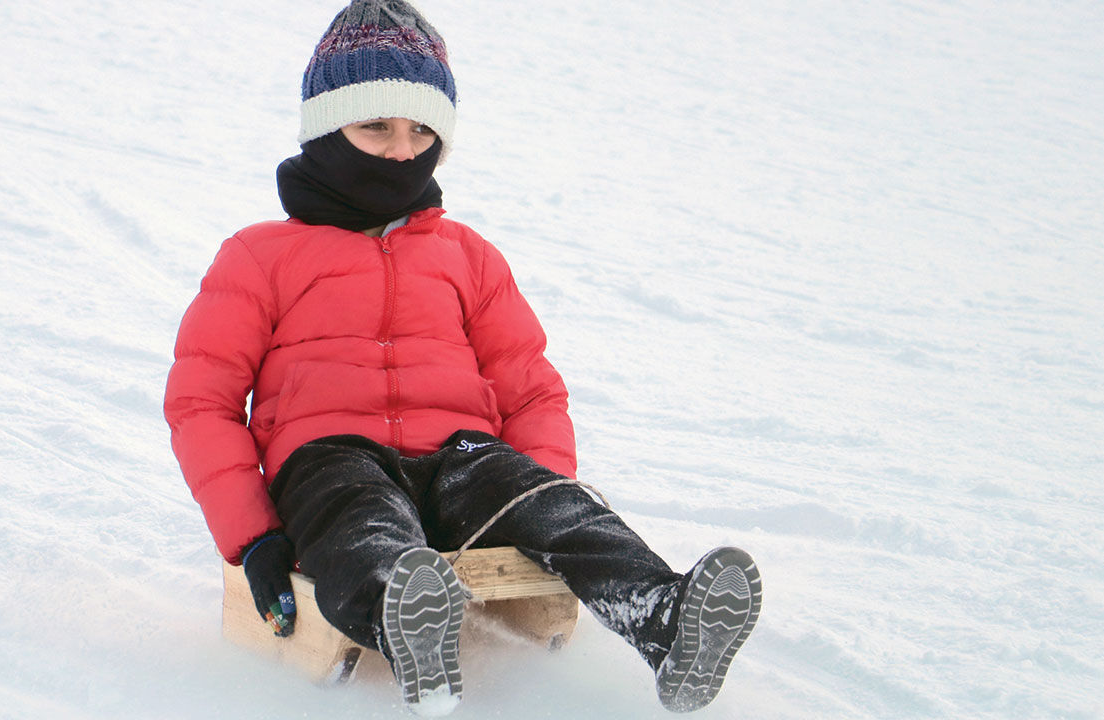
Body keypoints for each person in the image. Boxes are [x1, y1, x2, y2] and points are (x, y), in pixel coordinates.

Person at [163, 0, 761, 715]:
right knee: (362, 522)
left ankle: (664, 617)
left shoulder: (466, 257)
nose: (400, 150)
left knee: (552, 503)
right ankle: (409, 621)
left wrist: (539, 492)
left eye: (422, 131)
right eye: (375, 125)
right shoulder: (259, 257)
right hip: (329, 460)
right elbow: (203, 401)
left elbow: (531, 387)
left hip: (460, 458)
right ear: (326, 129)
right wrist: (254, 536)